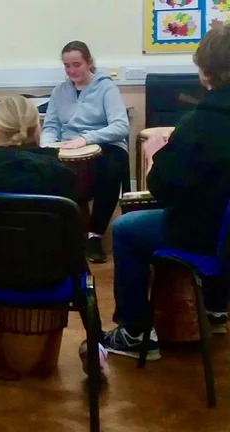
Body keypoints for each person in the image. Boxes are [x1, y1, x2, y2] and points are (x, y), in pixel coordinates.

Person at [0, 96, 109, 379]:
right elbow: (72, 240)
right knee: (81, 269)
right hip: (50, 276)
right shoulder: (62, 176)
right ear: (37, 130)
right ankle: (94, 344)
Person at [102, 24, 230, 361]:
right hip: (223, 231)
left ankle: (133, 331)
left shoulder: (200, 123)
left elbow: (162, 186)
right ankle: (216, 308)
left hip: (204, 234)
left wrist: (163, 151)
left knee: (125, 229)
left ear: (206, 73)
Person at [40, 41, 130, 263]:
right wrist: (48, 146)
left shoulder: (106, 87)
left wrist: (86, 139)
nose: (71, 71)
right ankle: (61, 231)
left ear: (89, 62)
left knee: (112, 166)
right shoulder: (59, 91)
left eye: (76, 64)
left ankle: (94, 235)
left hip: (105, 145)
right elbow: (50, 126)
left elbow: (120, 126)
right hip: (68, 145)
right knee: (40, 163)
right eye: (66, 66)